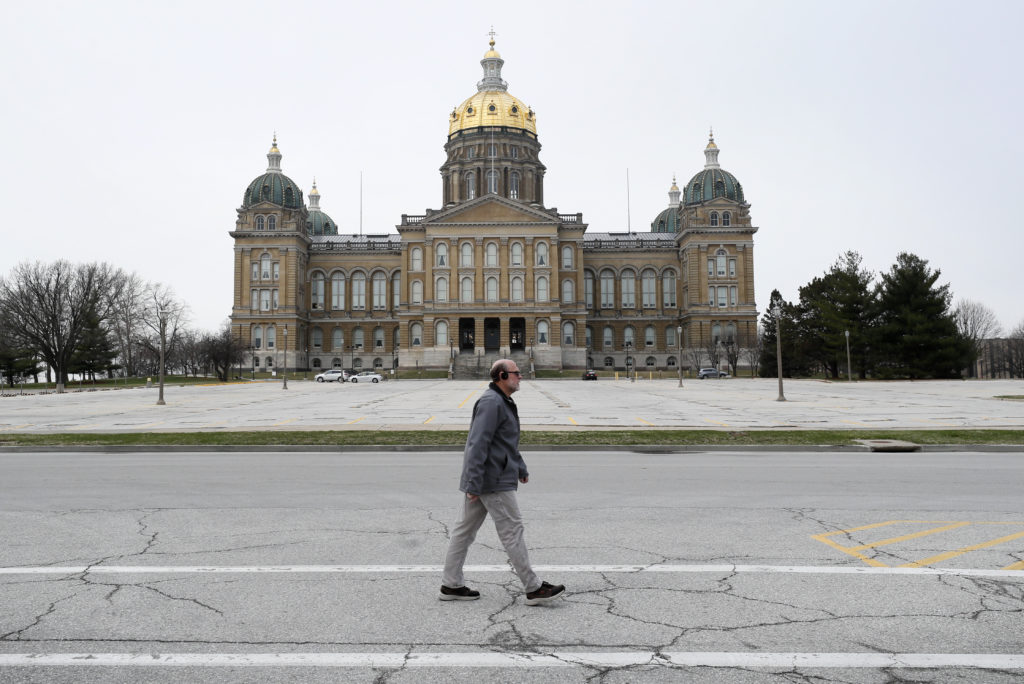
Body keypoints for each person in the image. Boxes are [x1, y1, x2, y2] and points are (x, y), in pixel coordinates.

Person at [440, 359, 565, 606]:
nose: (520, 377)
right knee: (512, 531)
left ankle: (450, 584)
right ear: (501, 375)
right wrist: (474, 484)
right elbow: (477, 445)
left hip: (490, 476)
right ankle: (533, 588)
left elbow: (504, 442)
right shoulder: (491, 402)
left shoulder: (502, 401)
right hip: (492, 480)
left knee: (463, 532)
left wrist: (520, 466)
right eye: (516, 373)